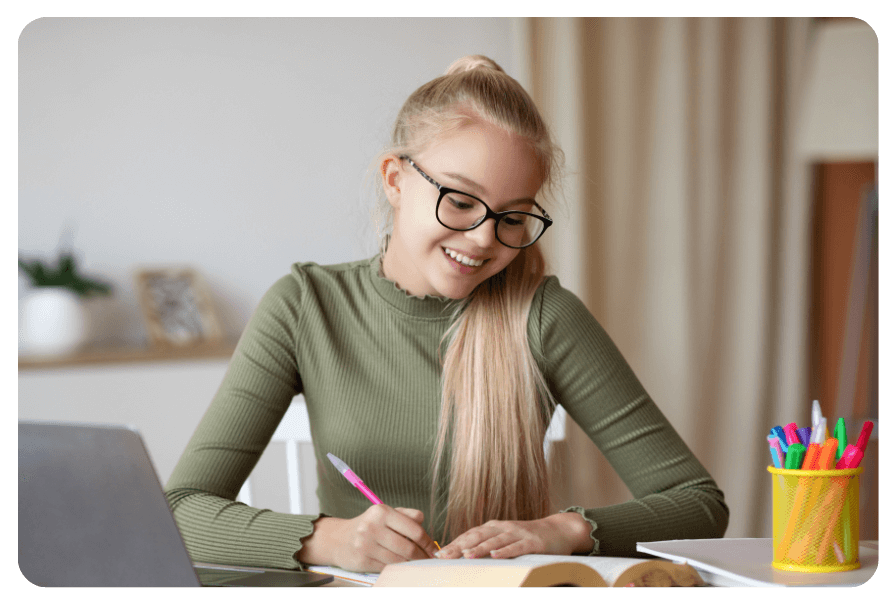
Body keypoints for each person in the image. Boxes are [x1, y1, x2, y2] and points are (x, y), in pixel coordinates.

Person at [165, 55, 728, 575]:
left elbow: (699, 505)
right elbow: (181, 511)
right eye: (460, 201)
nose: (484, 240)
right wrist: (331, 540)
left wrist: (563, 529)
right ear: (395, 179)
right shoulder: (304, 306)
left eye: (513, 218)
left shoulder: (544, 317)